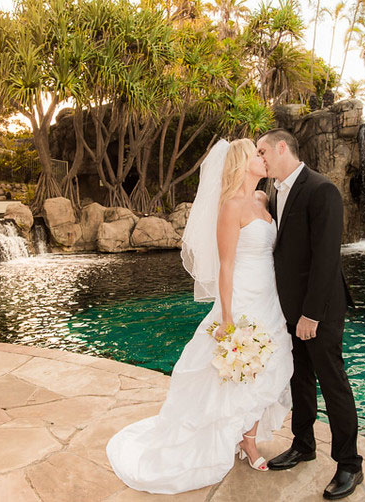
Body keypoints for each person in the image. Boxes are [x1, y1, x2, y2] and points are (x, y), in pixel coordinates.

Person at [105, 138, 294, 494]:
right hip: (242, 299)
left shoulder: (262, 199)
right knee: (233, 373)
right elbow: (225, 266)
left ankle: (247, 438)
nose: (262, 158)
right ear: (242, 163)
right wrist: (226, 318)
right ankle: (241, 442)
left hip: (270, 298)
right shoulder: (231, 207)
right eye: (256, 154)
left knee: (269, 367)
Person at [256, 128, 363, 500]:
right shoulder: (272, 191)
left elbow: (326, 259)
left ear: (282, 148)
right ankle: (304, 444)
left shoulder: (322, 190)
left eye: (263, 151)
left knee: (332, 384)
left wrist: (311, 315)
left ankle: (349, 464)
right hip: (288, 309)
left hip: (320, 310)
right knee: (299, 380)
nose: (261, 158)